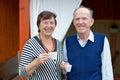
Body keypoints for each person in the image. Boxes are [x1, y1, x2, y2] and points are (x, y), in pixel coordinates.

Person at [63, 6, 113, 80]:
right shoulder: (68, 41)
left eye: (84, 18)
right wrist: (63, 67)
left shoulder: (102, 40)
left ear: (91, 22)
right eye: (77, 19)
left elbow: (107, 71)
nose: (80, 22)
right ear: (73, 22)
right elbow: (64, 70)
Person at [19, 11, 65, 80]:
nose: (49, 26)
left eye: (51, 23)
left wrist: (63, 67)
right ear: (39, 25)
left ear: (55, 25)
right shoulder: (30, 44)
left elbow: (60, 70)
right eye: (45, 22)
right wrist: (36, 62)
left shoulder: (58, 43)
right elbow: (22, 73)